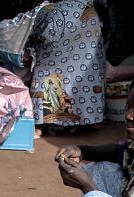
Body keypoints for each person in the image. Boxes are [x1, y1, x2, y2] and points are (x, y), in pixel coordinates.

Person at [27, 0, 106, 135]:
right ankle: (89, 119)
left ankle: (50, 121)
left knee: (50, 70)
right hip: (86, 61)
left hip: (58, 60)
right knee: (80, 73)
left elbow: (47, 36)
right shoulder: (90, 8)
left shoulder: (54, 10)